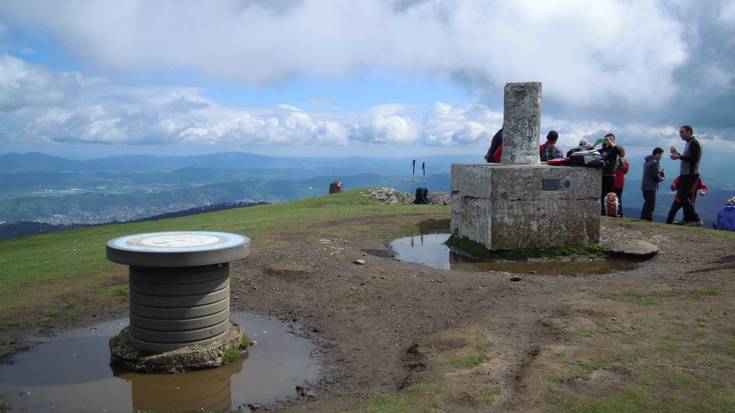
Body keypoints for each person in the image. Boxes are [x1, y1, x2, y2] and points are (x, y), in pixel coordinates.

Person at [669, 125, 703, 226]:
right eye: (680, 132)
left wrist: (679, 157)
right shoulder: (689, 143)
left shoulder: (694, 143)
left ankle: (696, 218)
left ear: (689, 132)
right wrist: (677, 154)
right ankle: (687, 218)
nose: (680, 135)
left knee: (683, 196)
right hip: (686, 174)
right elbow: (688, 157)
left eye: (682, 132)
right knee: (684, 196)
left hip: (691, 175)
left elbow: (694, 159)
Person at [597, 133, 620, 215]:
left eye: (611, 139)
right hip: (602, 175)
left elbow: (618, 150)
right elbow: (591, 151)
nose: (609, 140)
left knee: (611, 195)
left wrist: (612, 144)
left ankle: (611, 211)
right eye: (607, 139)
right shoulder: (600, 151)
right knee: (602, 194)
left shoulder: (614, 150)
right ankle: (602, 211)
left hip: (611, 175)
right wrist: (596, 143)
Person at [640, 147, 666, 221]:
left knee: (647, 203)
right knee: (651, 205)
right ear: (657, 153)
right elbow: (655, 177)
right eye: (661, 155)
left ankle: (643, 218)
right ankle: (648, 219)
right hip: (651, 186)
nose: (661, 157)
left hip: (644, 186)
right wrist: (662, 177)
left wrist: (658, 173)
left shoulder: (647, 161)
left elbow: (651, 173)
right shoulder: (654, 162)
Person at [613, 146, 629, 217]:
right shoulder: (626, 161)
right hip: (620, 181)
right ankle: (619, 212)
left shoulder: (613, 160)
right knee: (619, 197)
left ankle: (611, 211)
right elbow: (625, 172)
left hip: (612, 179)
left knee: (611, 196)